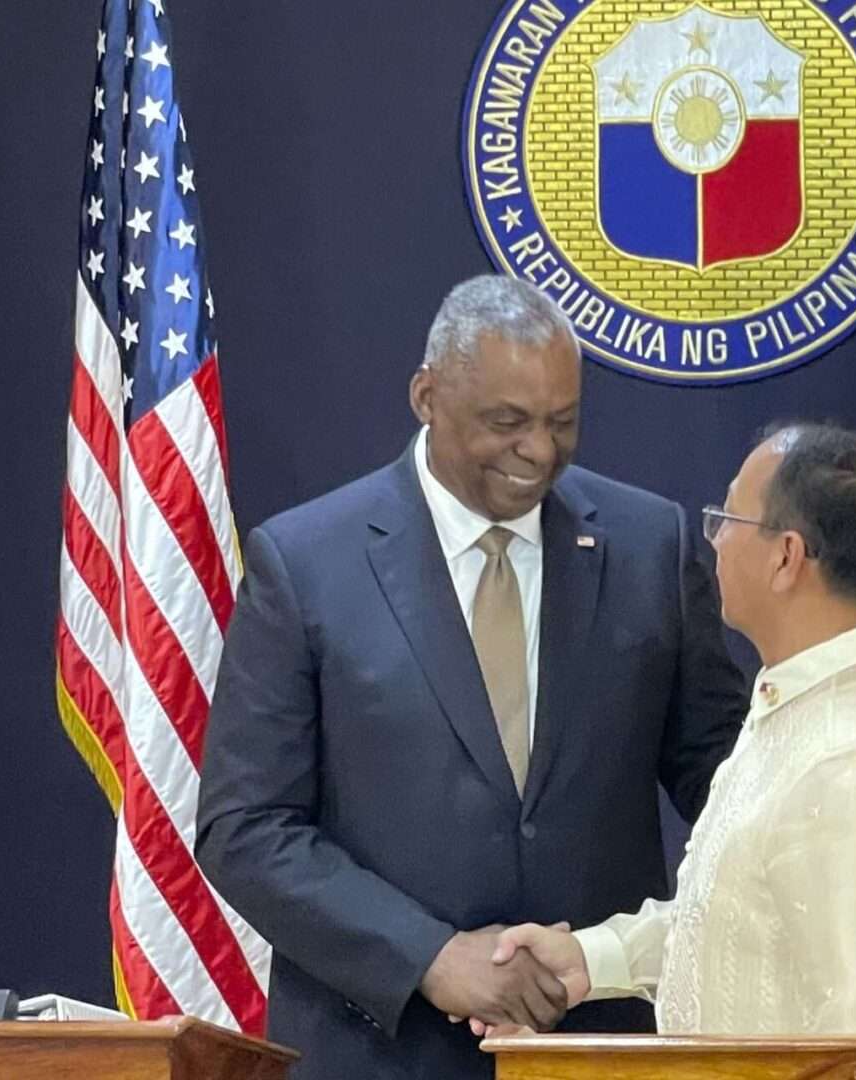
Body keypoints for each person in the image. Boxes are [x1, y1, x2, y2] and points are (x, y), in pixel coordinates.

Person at [194, 275, 746, 1078]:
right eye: (507, 422)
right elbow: (244, 827)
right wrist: (428, 955)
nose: (540, 451)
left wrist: (821, 757)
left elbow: (720, 773)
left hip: (596, 1049)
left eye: (563, 422)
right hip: (381, 1050)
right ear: (427, 395)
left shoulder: (648, 545)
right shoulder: (307, 563)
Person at [486, 422, 856, 1036]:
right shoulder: (802, 698)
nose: (712, 541)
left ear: (786, 557)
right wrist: (587, 957)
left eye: (727, 520)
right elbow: (739, 921)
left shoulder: (854, 762)